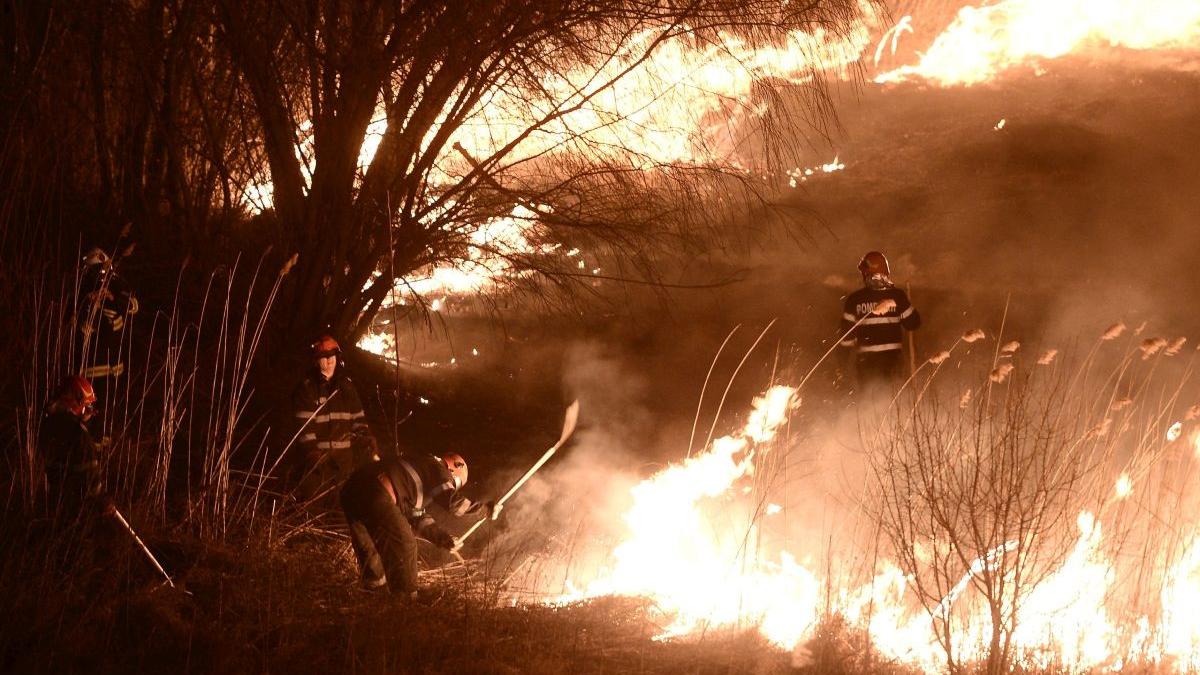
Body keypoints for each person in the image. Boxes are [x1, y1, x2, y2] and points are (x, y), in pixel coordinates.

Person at [340, 452, 500, 596]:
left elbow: (416, 516)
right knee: (406, 543)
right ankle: (406, 602)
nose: (451, 485)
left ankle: (373, 594)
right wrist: (484, 509)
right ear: (453, 468)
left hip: (352, 489)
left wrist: (444, 539)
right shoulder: (437, 467)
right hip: (377, 491)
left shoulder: (416, 470)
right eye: (454, 483)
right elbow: (453, 503)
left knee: (370, 545)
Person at [291, 333, 377, 500]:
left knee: (341, 509)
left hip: (344, 466)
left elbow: (358, 421)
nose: (329, 360)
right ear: (316, 360)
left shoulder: (347, 387)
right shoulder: (307, 389)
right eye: (324, 356)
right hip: (315, 469)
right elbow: (304, 429)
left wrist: (366, 440)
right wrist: (313, 454)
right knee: (313, 508)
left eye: (332, 355)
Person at [839, 251, 921, 387]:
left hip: (866, 365)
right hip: (893, 363)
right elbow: (913, 323)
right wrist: (898, 302)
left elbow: (846, 339)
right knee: (894, 398)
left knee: (869, 399)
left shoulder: (855, 300)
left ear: (866, 273)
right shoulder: (897, 296)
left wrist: (841, 367)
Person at [39, 375, 110, 520]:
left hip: (50, 508)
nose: (90, 412)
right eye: (87, 406)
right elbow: (91, 482)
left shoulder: (46, 426)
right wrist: (104, 502)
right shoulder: (79, 435)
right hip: (78, 513)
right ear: (77, 403)